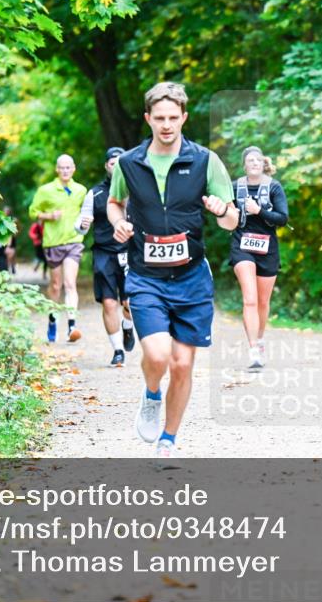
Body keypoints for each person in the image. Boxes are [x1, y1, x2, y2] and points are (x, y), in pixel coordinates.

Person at [106, 82, 239, 458]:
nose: (166, 125)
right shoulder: (130, 163)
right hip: (146, 275)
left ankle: (168, 440)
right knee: (159, 355)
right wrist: (118, 222)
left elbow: (232, 221)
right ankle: (151, 395)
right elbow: (115, 203)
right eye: (159, 118)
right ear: (148, 119)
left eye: (173, 118)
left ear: (184, 118)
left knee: (182, 364)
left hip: (192, 276)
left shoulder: (205, 161)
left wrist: (221, 210)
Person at [229, 146, 289, 370]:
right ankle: (253, 349)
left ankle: (260, 340)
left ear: (264, 164)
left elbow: (282, 218)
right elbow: (224, 214)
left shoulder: (273, 187)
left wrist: (259, 211)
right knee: (250, 299)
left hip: (268, 247)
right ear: (244, 165)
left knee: (263, 302)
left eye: (257, 160)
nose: (253, 163)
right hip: (242, 245)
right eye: (249, 160)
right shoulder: (235, 187)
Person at [77, 147, 136, 367]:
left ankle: (128, 327)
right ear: (106, 166)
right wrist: (82, 225)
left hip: (131, 252)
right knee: (109, 303)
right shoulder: (95, 194)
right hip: (104, 253)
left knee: (129, 302)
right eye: (112, 163)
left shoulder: (136, 189)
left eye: (120, 162)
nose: (116, 166)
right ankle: (118, 350)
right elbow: (81, 225)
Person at [28, 154, 89, 343]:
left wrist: (86, 222)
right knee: (56, 286)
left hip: (74, 241)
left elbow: (86, 212)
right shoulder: (45, 190)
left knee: (70, 284)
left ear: (74, 169)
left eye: (68, 167)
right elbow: (32, 212)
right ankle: (53, 319)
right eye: (62, 167)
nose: (65, 171)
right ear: (57, 169)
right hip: (53, 242)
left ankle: (72, 326)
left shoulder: (81, 190)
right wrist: (48, 216)